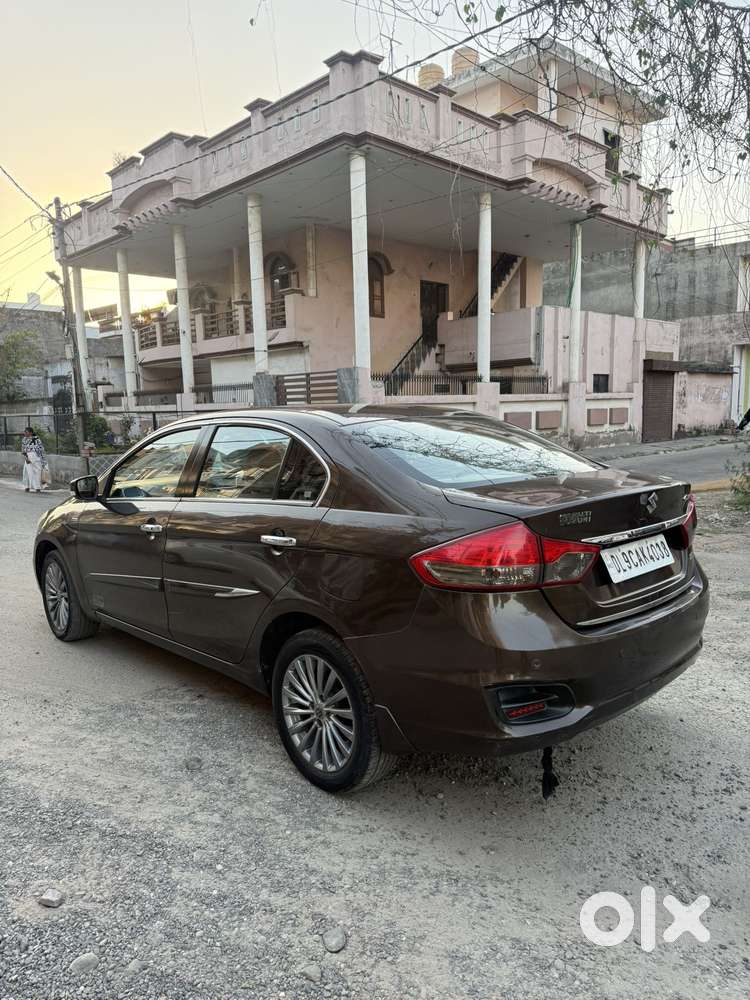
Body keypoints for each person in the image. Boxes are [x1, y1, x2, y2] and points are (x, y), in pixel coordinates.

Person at [21, 427, 46, 493]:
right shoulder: (24, 439)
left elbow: (41, 450)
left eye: (26, 432)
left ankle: (37, 488)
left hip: (37, 458)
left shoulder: (37, 439)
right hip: (28, 457)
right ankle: (27, 487)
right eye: (25, 432)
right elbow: (23, 450)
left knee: (37, 472)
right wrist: (26, 458)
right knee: (27, 473)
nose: (25, 433)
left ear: (31, 432)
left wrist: (43, 460)